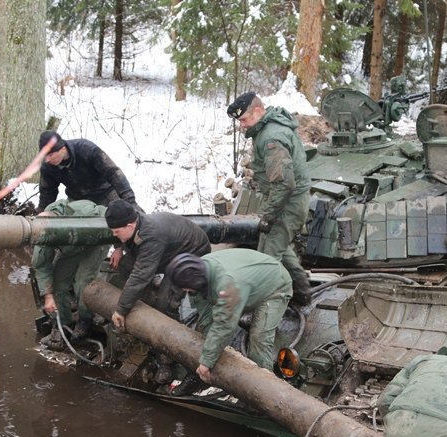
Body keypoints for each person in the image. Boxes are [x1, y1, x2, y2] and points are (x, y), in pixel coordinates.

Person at [227, 92, 312, 306]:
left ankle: (266, 310)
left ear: (258, 111)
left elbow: (284, 183)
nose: (242, 126)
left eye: (244, 120)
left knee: (266, 260)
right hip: (286, 200)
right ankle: (302, 294)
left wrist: (268, 215)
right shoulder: (269, 127)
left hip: (286, 203)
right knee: (277, 247)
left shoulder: (270, 138)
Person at [165, 249, 292, 381]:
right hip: (245, 280)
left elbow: (224, 325)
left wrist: (206, 362)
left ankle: (264, 383)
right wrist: (211, 350)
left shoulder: (227, 284)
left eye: (185, 288)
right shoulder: (198, 271)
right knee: (207, 329)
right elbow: (207, 316)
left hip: (274, 285)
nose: (184, 291)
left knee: (259, 338)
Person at [105, 199, 210, 329]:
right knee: (125, 266)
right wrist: (119, 247)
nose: (114, 235)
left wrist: (121, 310)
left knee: (165, 303)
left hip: (191, 252)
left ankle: (172, 327)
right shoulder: (134, 220)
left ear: (130, 226)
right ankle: (148, 300)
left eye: (116, 232)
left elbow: (140, 276)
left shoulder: (151, 236)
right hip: (169, 249)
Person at [32, 199, 110, 344]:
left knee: (83, 281)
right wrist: (48, 296)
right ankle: (64, 322)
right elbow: (41, 265)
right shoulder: (42, 233)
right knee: (56, 282)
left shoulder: (85, 212)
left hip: (96, 240)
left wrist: (118, 247)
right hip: (71, 246)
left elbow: (114, 220)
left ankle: (85, 320)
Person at [37, 130, 142, 213]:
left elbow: (113, 172)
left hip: (106, 193)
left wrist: (130, 201)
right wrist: (41, 213)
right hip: (77, 200)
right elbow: (47, 193)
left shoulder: (86, 149)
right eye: (45, 156)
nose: (47, 160)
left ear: (62, 149)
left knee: (130, 219)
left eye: (50, 155)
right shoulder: (47, 167)